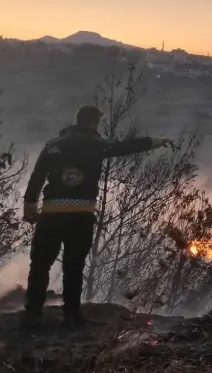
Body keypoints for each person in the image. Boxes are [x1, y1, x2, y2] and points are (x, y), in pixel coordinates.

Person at [21, 104, 172, 328]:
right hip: (81, 217)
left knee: (40, 264)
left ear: (77, 120)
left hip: (51, 215)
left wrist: (30, 206)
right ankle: (71, 316)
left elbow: (37, 177)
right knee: (74, 267)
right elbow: (125, 146)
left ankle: (32, 314)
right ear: (94, 122)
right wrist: (155, 141)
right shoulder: (97, 145)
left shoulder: (53, 146)